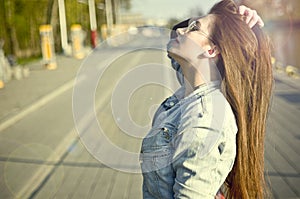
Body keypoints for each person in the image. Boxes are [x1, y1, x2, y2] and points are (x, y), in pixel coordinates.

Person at [139, 0, 273, 198]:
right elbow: (175, 35)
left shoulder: (204, 121)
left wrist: (233, 23)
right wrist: (235, 15)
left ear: (211, 50)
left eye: (194, 28)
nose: (181, 31)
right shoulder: (190, 86)